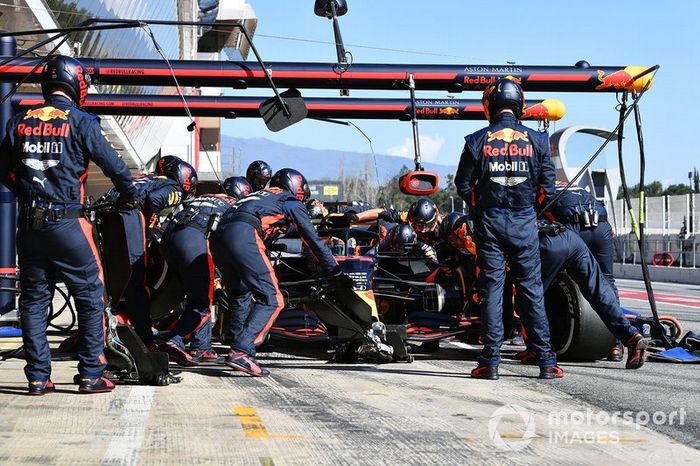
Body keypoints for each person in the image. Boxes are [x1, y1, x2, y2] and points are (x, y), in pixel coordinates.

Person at [0, 55, 138, 394]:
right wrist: (130, 194)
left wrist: (25, 192)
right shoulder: (82, 121)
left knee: (34, 300)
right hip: (67, 223)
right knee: (91, 295)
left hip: (29, 226)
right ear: (76, 82)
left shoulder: (17, 121)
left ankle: (36, 377)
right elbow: (115, 167)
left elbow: (3, 169)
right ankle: (91, 373)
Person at [455, 77, 561, 380]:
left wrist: (484, 205)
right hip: (524, 222)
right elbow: (548, 190)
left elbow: (463, 186)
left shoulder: (476, 140)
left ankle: (490, 363)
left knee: (492, 291)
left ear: (489, 106)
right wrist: (527, 210)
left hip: (490, 223)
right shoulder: (539, 141)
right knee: (531, 292)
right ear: (521, 105)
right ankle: (546, 363)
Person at [210, 168, 342, 376]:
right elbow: (311, 238)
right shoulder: (288, 200)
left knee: (240, 293)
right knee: (272, 298)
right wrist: (334, 269)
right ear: (295, 185)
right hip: (244, 233)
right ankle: (242, 351)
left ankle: (238, 345)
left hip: (219, 236)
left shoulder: (257, 196)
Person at [527, 221, 647, 369]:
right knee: (600, 292)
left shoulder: (502, 211)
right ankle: (630, 337)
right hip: (572, 238)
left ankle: (539, 350)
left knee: (530, 298)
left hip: (546, 242)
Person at [157, 177, 251, 365]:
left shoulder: (200, 198)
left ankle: (202, 346)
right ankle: (174, 341)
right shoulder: (232, 205)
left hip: (168, 241)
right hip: (193, 241)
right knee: (202, 301)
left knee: (196, 295)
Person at [545, 181, 623, 361]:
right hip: (602, 226)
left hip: (573, 227)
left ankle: (541, 337)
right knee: (607, 282)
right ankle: (616, 345)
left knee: (549, 278)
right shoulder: (580, 189)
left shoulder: (543, 188)